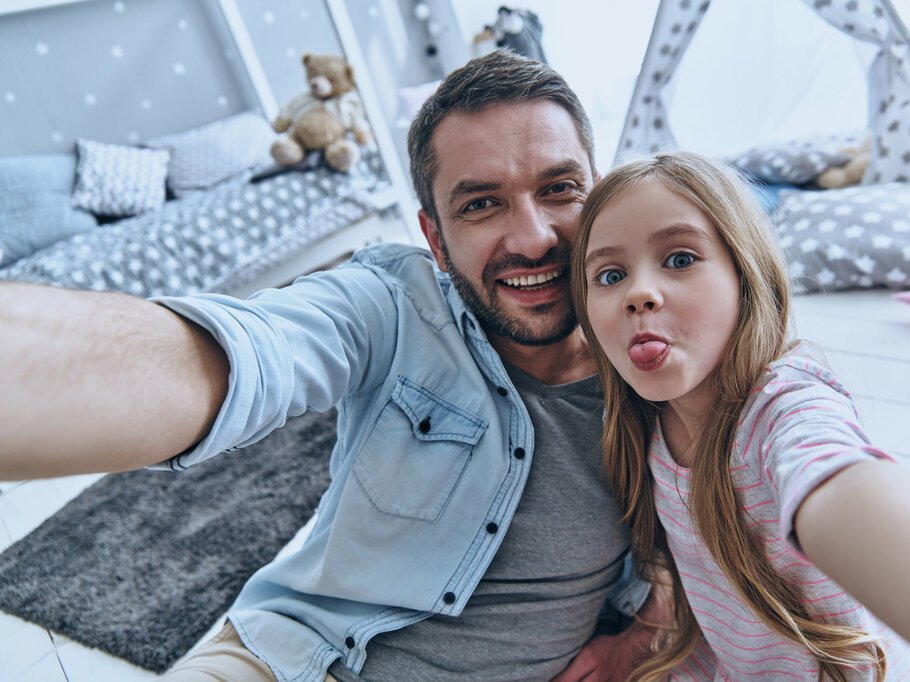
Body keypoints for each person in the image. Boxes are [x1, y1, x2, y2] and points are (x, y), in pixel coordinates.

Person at [0, 50, 664, 681]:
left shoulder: (661, 362)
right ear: (435, 239)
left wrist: (642, 634)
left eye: (559, 189)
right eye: (480, 204)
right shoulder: (391, 306)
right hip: (297, 660)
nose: (533, 238)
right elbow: (253, 353)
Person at [570, 150, 910, 680]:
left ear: (746, 275)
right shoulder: (646, 425)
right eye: (610, 275)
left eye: (680, 260)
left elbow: (833, 475)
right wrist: (642, 635)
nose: (639, 294)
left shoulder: (782, 406)